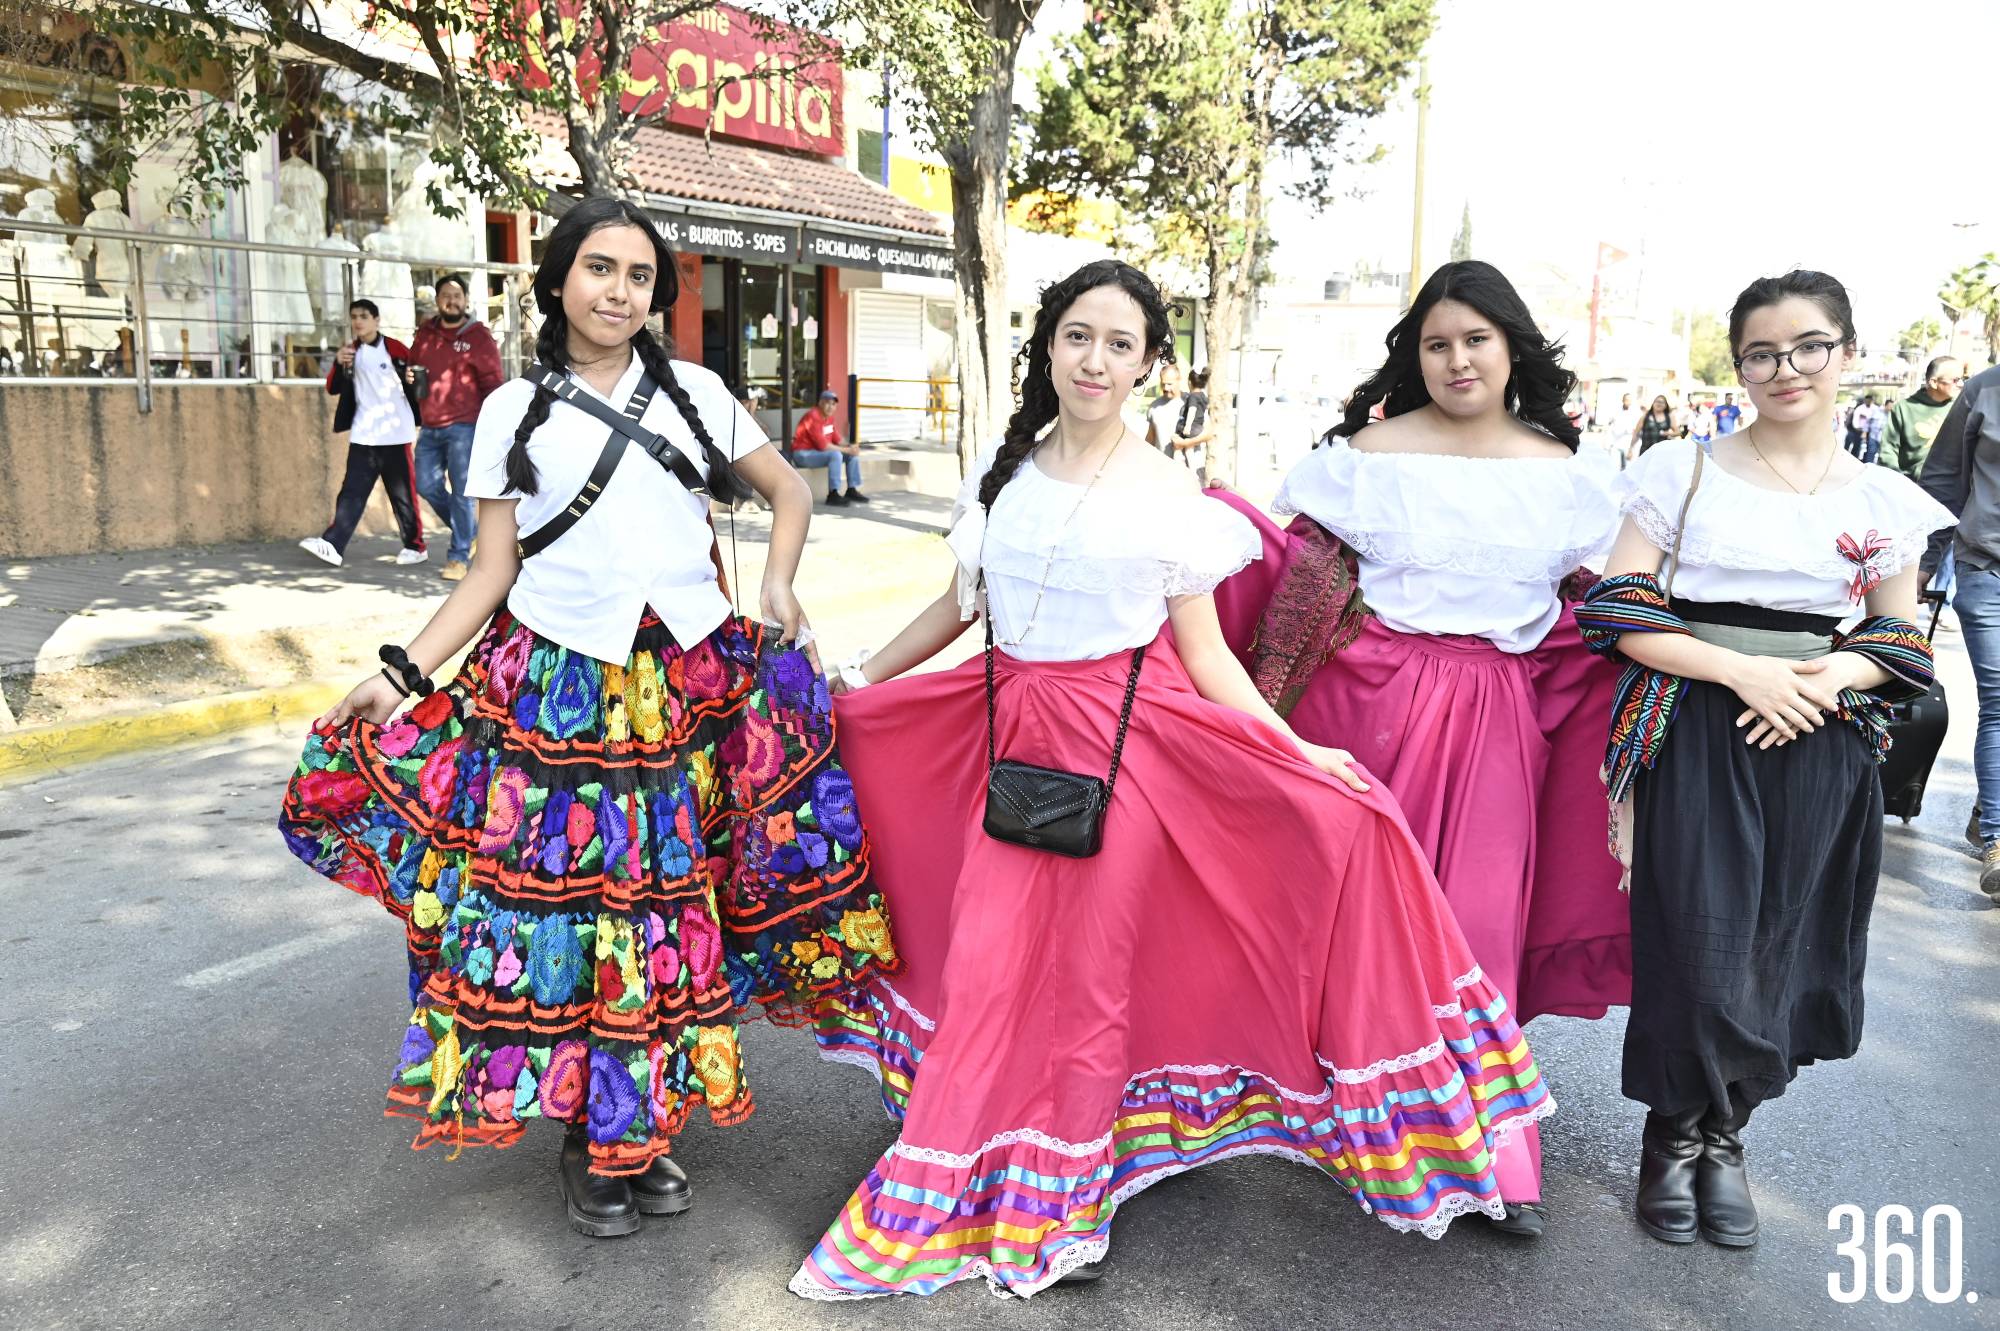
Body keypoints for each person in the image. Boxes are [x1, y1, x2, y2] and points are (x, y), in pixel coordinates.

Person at [790, 259, 1552, 1300]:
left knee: (1087, 981)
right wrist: (861, 679)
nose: (1094, 360)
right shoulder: (1002, 475)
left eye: (1120, 344)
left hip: (1120, 756)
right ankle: (995, 1166)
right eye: (1077, 336)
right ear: (1047, 346)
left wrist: (1296, 753)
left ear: (1147, 364)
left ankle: (1059, 1200)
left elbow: (1207, 657)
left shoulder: (1164, 494)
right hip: (1000, 740)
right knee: (989, 966)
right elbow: (960, 606)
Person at [277, 197, 899, 1238]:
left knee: (662, 909)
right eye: (600, 268)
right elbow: (490, 571)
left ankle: (638, 1124)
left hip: (681, 685)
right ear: (558, 279)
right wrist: (402, 670)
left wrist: (779, 584)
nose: (619, 291)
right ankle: (588, 1134)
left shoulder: (697, 393)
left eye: (639, 275)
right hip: (556, 693)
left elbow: (789, 492)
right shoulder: (511, 410)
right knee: (572, 914)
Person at [1206, 259, 1629, 1238]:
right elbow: (1293, 573)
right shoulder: (1364, 455)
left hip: (1497, 716)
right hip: (1371, 704)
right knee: (1364, 926)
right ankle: (1361, 1126)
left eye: (1475, 339)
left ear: (1511, 346)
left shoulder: (1570, 474)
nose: (1456, 359)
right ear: (1415, 354)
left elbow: (1601, 609)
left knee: (1475, 930)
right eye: (1436, 343)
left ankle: (1496, 1154)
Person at [1576, 270, 1949, 1249]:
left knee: (1783, 945)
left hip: (1821, 737)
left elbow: (1899, 636)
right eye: (1761, 352)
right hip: (1698, 723)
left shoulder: (1884, 499)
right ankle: (1670, 1134)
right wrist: (1742, 673)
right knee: (1695, 944)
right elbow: (1614, 608)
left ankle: (1725, 1136)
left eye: (1808, 346)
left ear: (1845, 353)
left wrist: (1820, 683)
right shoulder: (1680, 469)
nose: (1786, 368)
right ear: (1737, 364)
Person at [1920, 359, 2000, 895]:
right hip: (1987, 568)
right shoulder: (1984, 391)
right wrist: (1926, 562)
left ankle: (1987, 804)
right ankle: (1998, 837)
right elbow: (1944, 480)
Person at [299, 299, 427, 568]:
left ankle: (416, 547)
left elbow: (417, 379)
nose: (358, 321)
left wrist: (413, 380)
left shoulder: (394, 348)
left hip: (396, 434)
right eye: (354, 316)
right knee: (351, 493)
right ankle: (333, 545)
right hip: (363, 434)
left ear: (376, 320)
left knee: (402, 496)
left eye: (364, 316)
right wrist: (338, 363)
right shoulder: (350, 352)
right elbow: (332, 387)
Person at [407, 275, 505, 581]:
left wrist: (493, 427)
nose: (451, 301)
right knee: (425, 485)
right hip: (431, 424)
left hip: (465, 425)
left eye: (457, 295)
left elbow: (493, 385)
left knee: (463, 492)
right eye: (446, 296)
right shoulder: (426, 333)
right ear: (437, 301)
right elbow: (413, 365)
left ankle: (458, 557)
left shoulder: (479, 337)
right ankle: (472, 532)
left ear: (465, 300)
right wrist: (409, 376)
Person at [1882, 357, 1962, 480]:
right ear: (1934, 382)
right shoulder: (1904, 409)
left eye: (1962, 379)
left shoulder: (1961, 407)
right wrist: (1896, 480)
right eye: (1955, 380)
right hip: (1912, 484)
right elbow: (1888, 451)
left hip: (1950, 486)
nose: (1961, 384)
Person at [791, 387, 866, 506]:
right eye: (827, 403)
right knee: (835, 455)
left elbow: (838, 439)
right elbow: (824, 446)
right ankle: (833, 494)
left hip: (817, 453)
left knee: (852, 455)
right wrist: (847, 450)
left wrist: (851, 447)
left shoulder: (829, 418)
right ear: (820, 403)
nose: (830, 407)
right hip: (802, 454)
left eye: (833, 404)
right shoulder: (813, 416)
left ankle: (851, 489)